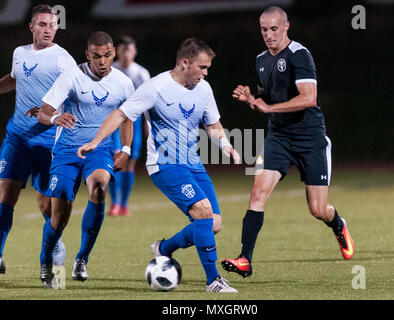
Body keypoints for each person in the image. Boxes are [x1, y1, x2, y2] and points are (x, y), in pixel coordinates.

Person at [77, 38, 241, 293]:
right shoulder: (155, 88)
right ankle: (214, 281)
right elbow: (121, 114)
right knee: (203, 211)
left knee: (213, 223)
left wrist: (226, 146)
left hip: (193, 165)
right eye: (202, 67)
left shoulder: (204, 89)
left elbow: (212, 123)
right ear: (185, 63)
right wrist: (97, 141)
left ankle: (164, 249)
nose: (206, 73)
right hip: (165, 165)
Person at [221, 6, 355, 278]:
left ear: (286, 27)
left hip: (309, 138)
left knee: (318, 210)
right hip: (279, 138)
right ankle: (245, 259)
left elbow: (309, 98)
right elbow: (267, 99)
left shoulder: (299, 55)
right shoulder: (260, 59)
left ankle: (338, 223)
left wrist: (269, 109)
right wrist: (252, 100)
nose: (268, 35)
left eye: (273, 29)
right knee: (257, 193)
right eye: (263, 29)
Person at [36, 31, 134, 288]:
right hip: (66, 151)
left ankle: (82, 258)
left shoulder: (123, 82)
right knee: (58, 218)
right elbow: (44, 113)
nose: (103, 62)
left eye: (107, 56)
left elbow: (126, 118)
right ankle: (46, 260)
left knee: (100, 189)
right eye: (97, 56)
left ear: (114, 53)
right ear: (87, 55)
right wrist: (56, 118)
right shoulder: (71, 77)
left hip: (99, 151)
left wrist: (125, 147)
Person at [0, 4, 76, 274]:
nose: (48, 30)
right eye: (42, 25)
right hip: (17, 137)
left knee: (45, 204)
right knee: (5, 195)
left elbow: (72, 93)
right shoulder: (19, 53)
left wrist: (53, 113)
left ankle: (54, 242)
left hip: (47, 141)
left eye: (52, 25)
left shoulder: (62, 59)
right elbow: (14, 78)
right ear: (31, 27)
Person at [108, 35, 151, 217]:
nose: (126, 54)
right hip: (114, 121)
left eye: (129, 50)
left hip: (134, 121)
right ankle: (114, 204)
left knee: (130, 163)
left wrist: (149, 124)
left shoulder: (141, 73)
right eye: (123, 49)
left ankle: (124, 205)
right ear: (117, 51)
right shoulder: (110, 70)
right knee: (115, 160)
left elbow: (149, 101)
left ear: (135, 52)